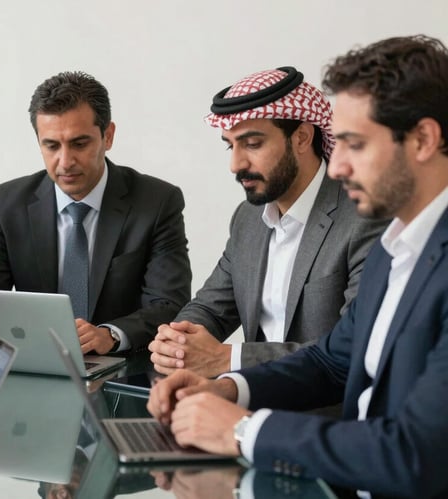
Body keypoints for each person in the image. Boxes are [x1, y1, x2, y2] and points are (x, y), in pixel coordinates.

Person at [147, 35, 448, 498]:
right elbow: (334, 361)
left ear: (424, 139)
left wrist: (245, 430)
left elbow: (415, 455)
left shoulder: (379, 230)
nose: (338, 165)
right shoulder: (397, 244)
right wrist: (228, 390)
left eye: (354, 144)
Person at [149, 66, 387, 377]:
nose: (236, 164)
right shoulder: (247, 218)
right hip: (246, 402)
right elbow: (211, 306)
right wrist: (178, 341)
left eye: (252, 143)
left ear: (302, 137)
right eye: (229, 145)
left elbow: (353, 348)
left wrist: (228, 359)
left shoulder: (363, 218)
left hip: (327, 416)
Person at [0, 71, 191, 354]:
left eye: (79, 144)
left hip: (125, 377)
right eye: (51, 146)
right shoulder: (8, 203)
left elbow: (170, 305)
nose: (65, 161)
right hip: (37, 368)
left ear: (108, 136)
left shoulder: (157, 202)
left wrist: (111, 335)